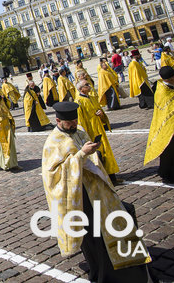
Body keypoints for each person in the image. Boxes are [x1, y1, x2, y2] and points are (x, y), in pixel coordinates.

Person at [42, 102, 152, 283]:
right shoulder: (53, 142)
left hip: (97, 190)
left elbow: (88, 155)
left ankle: (128, 264)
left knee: (118, 220)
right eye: (69, 122)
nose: (73, 124)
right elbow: (53, 175)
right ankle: (105, 274)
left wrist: (93, 150)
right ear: (58, 121)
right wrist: (81, 155)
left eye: (75, 120)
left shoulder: (79, 131)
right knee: (95, 236)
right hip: (79, 198)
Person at [75, 80, 120, 184]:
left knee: (106, 152)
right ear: (81, 89)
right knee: (97, 155)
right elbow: (80, 121)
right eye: (86, 85)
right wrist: (85, 136)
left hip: (99, 129)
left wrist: (101, 114)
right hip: (91, 132)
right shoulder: (79, 102)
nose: (89, 86)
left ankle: (111, 176)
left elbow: (100, 111)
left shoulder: (92, 98)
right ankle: (102, 179)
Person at [144, 66, 174, 184]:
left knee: (170, 151)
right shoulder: (165, 93)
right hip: (172, 127)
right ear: (171, 78)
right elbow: (168, 113)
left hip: (173, 125)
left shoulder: (163, 87)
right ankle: (173, 175)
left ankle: (166, 172)